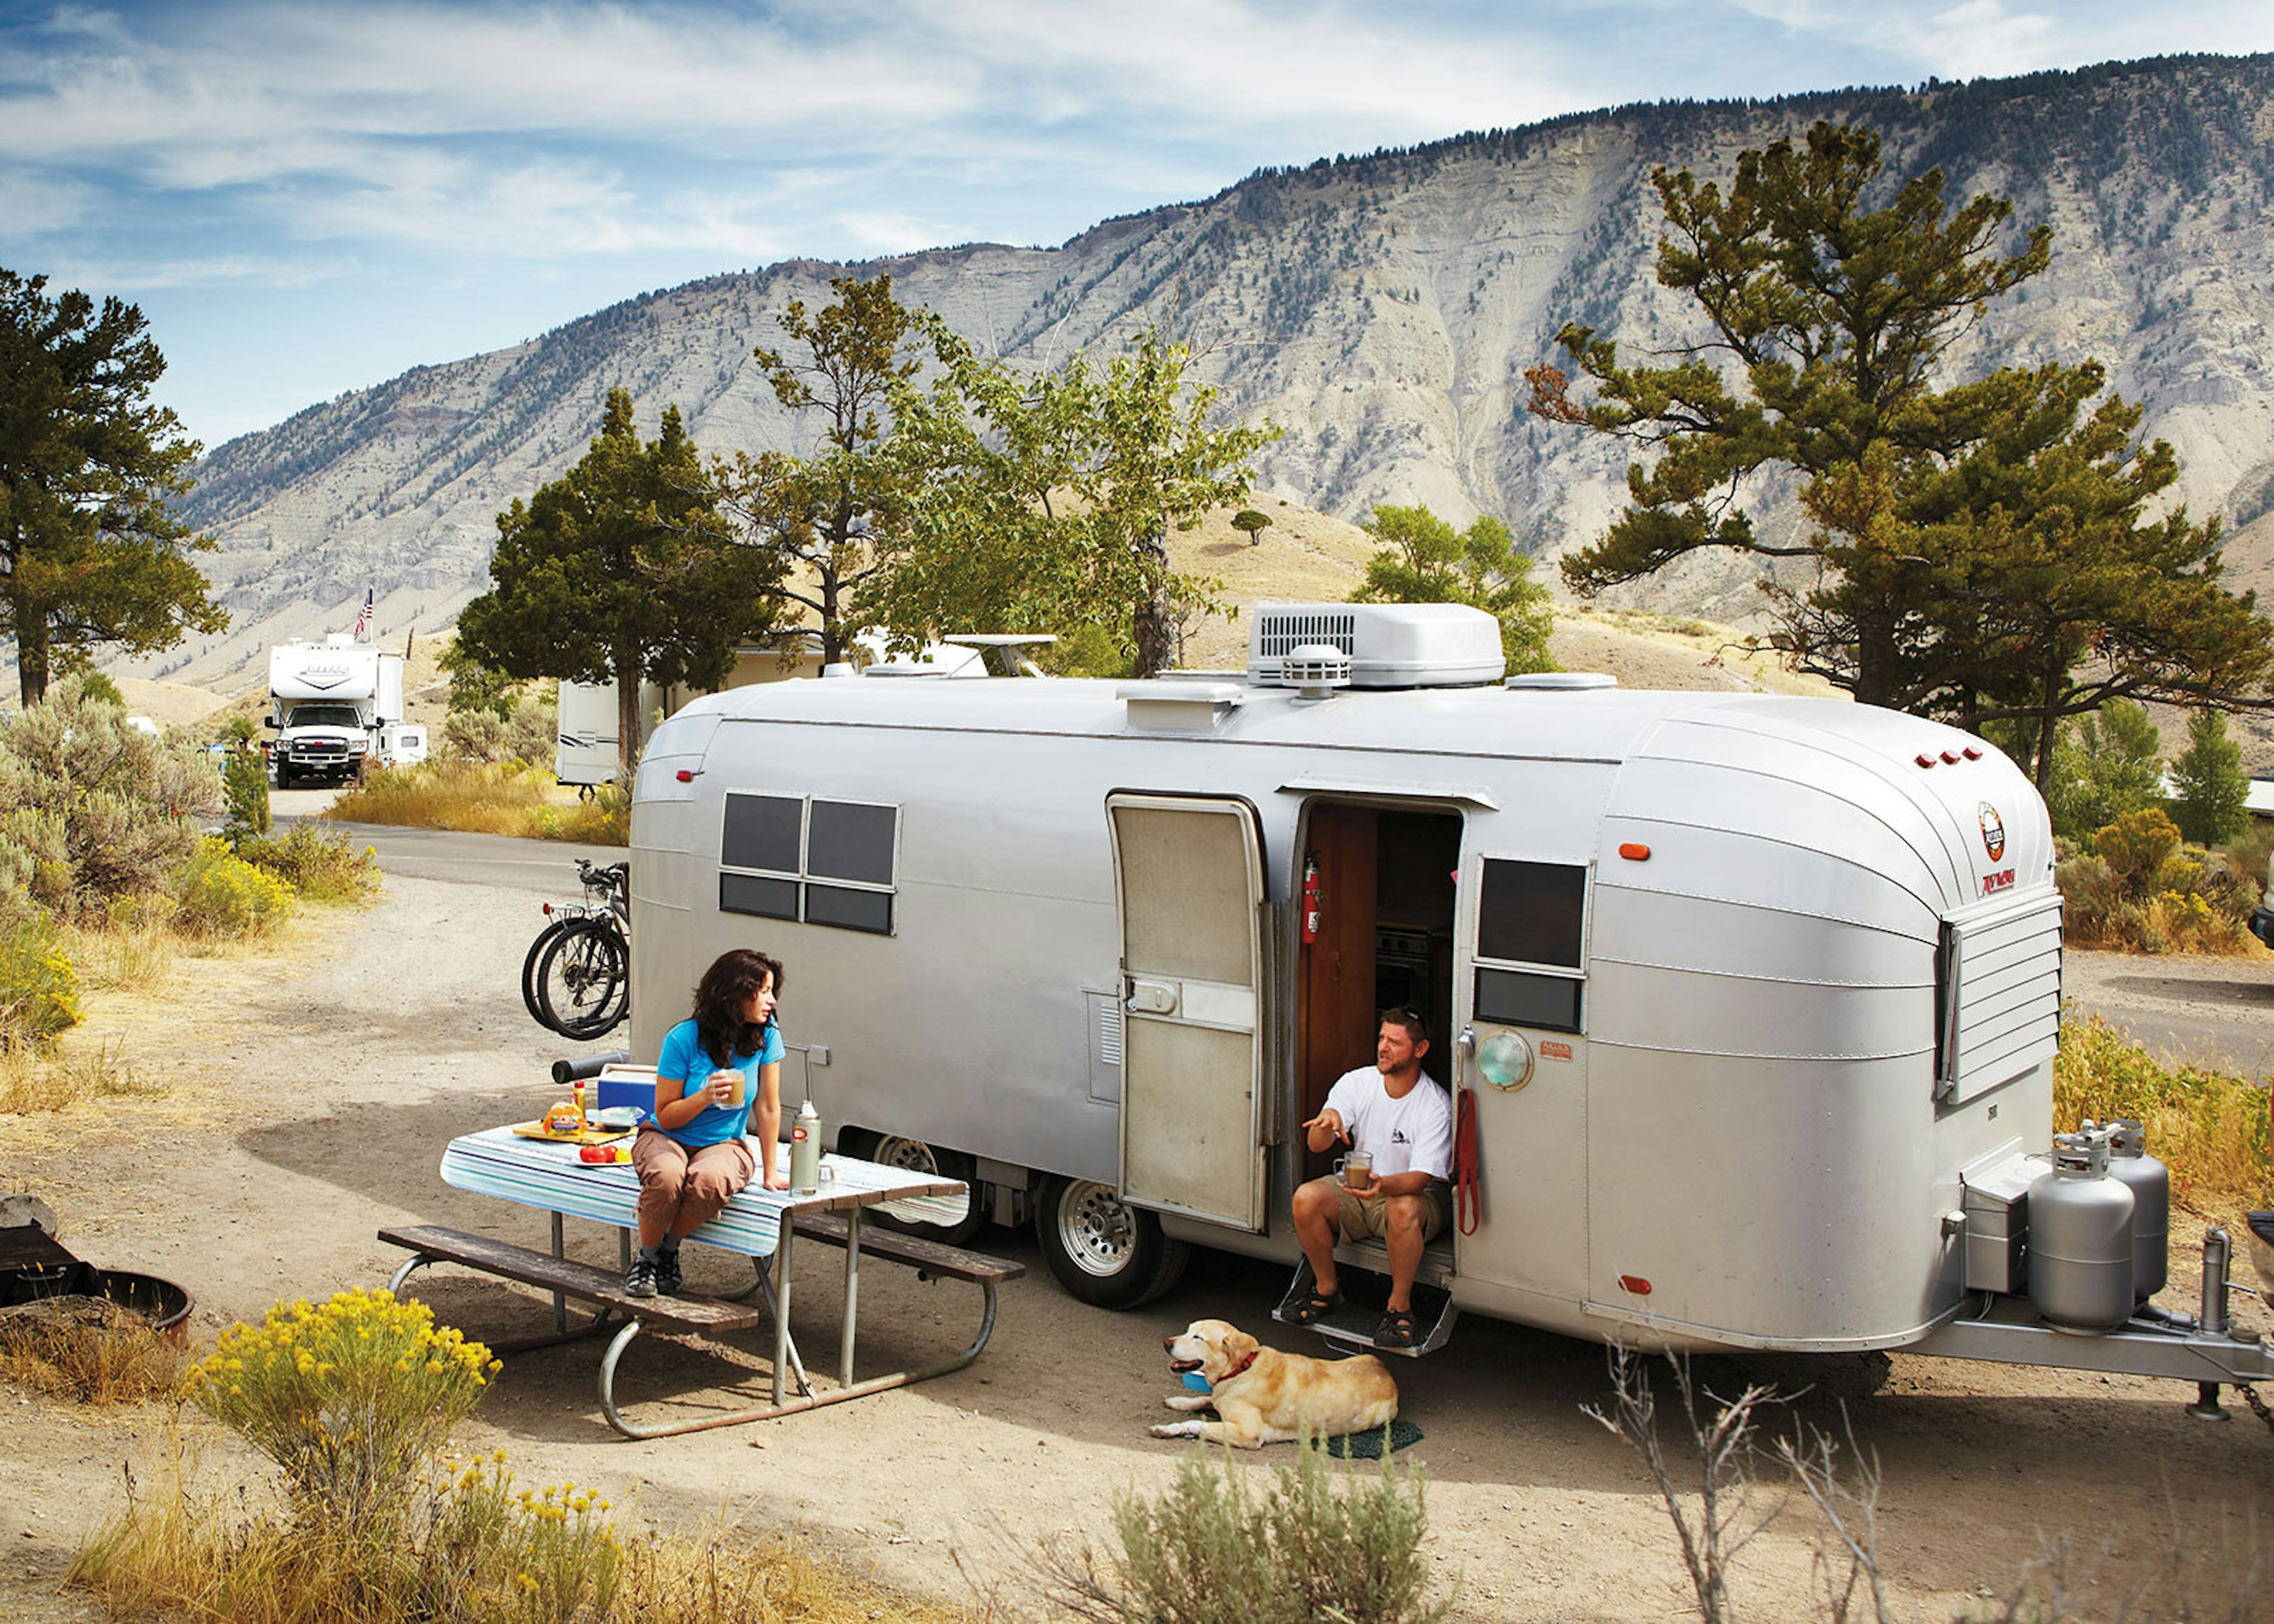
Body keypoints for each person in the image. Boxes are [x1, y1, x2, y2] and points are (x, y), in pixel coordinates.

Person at [1286, 1007, 1454, 1349]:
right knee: (1306, 1198)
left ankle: (1399, 1308)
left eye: (1395, 1042)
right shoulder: (1358, 1082)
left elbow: (1420, 1180)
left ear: (1420, 1050)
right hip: (1361, 1188)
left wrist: (1380, 1186)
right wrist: (1326, 1121)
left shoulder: (1435, 1103)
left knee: (1403, 1208)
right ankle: (1327, 1289)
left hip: (1408, 1195)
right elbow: (1317, 1145)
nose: (1383, 1047)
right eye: (1381, 1038)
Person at [626, 947, 789, 1298]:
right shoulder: (683, 1038)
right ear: (733, 996)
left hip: (724, 1143)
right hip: (667, 1134)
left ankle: (668, 1247)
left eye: (772, 991)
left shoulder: (767, 1037)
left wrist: (771, 1172)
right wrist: (704, 1097)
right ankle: (647, 1258)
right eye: (762, 992)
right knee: (668, 1177)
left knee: (710, 1180)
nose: (771, 1001)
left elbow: (769, 1107)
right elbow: (666, 1113)